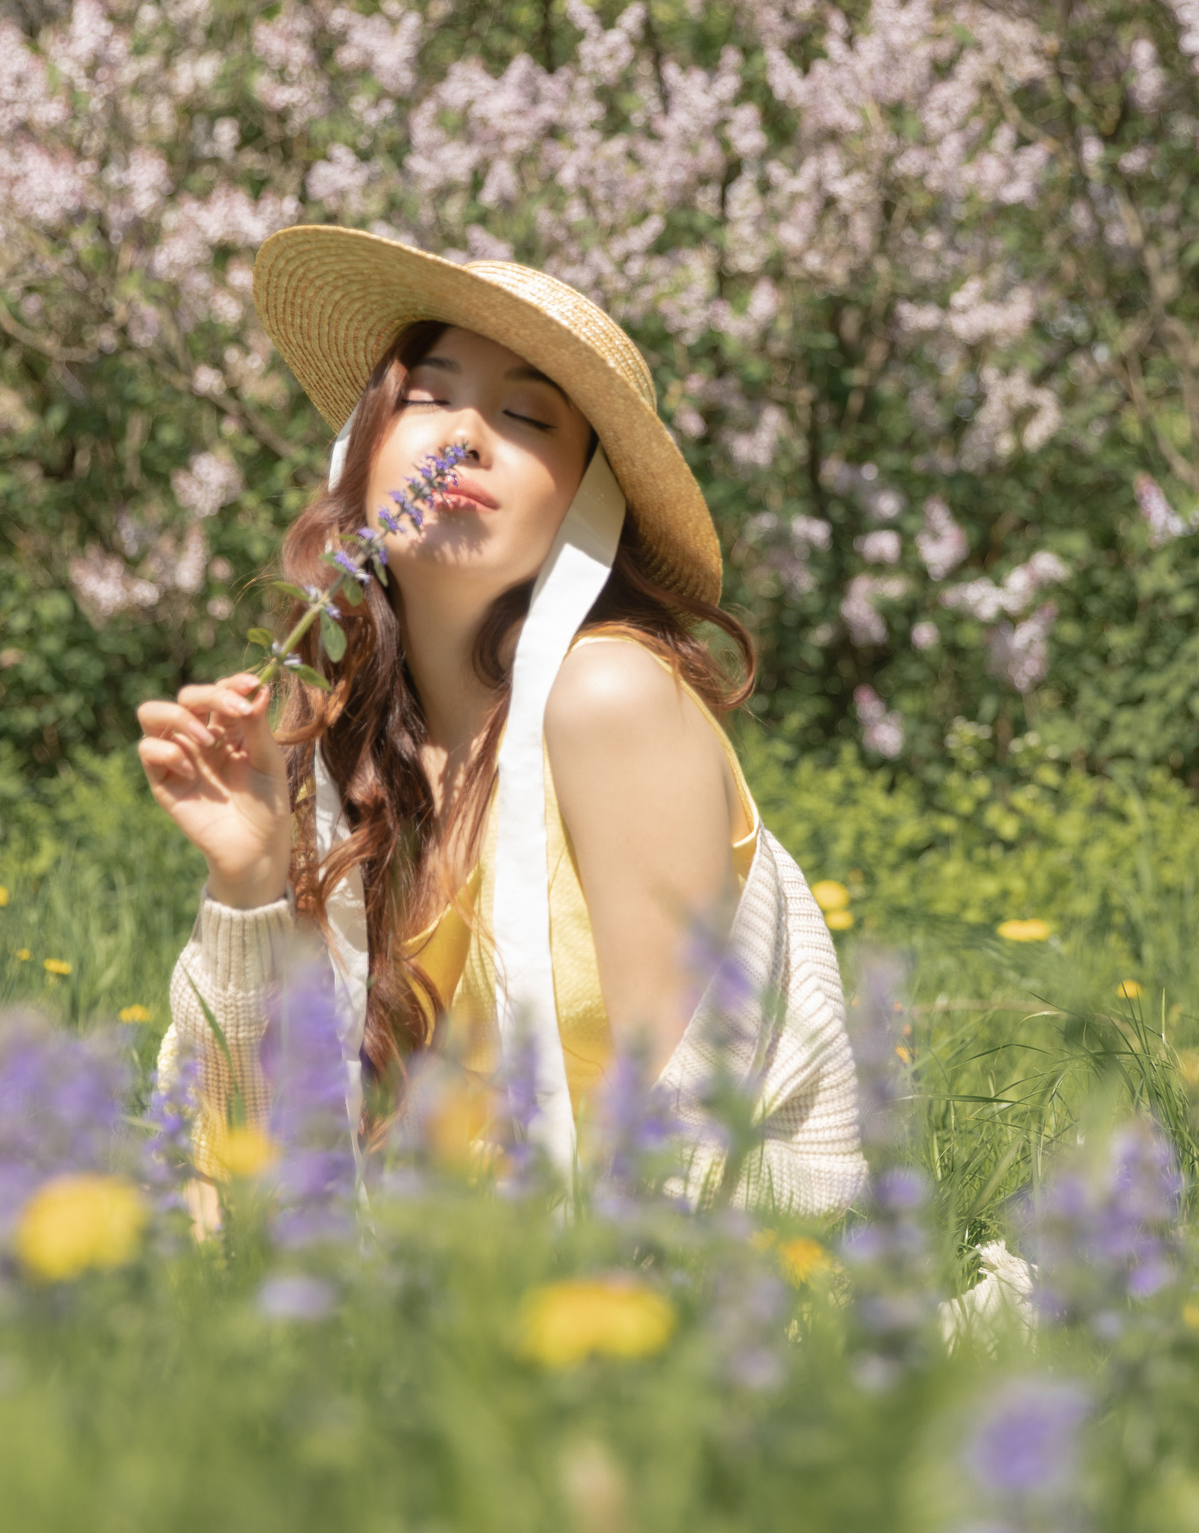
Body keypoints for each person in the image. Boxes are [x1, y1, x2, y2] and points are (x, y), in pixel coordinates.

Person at [137, 226, 868, 1229]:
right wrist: (250, 881)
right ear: (362, 450)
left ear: (588, 501)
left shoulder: (610, 699)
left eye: (527, 415)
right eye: (427, 397)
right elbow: (237, 1161)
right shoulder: (328, 734)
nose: (464, 437)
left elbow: (683, 1144)